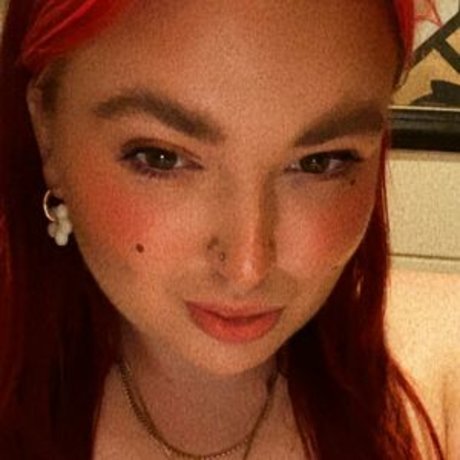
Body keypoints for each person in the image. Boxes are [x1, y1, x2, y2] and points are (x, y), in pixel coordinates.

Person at [0, 0, 455, 458]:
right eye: (162, 157)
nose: (247, 267)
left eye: (321, 162)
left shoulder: (434, 407)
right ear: (46, 132)